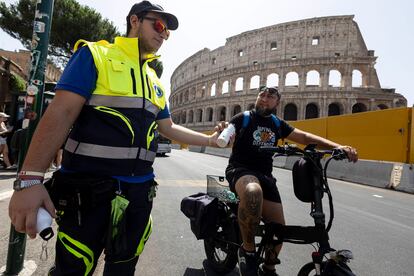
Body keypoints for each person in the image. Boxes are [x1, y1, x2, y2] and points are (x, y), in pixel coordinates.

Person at [8, 2, 221, 275]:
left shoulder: (154, 80)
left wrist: (212, 140)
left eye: (167, 32)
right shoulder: (95, 55)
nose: (163, 35)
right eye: (158, 25)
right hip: (87, 193)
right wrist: (29, 180)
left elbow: (168, 127)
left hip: (139, 195)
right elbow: (61, 112)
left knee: (123, 268)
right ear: (135, 21)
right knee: (74, 269)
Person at [224, 86, 358, 276]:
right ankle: (247, 251)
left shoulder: (277, 124)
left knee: (279, 232)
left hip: (266, 176)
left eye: (270, 96)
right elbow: (226, 135)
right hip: (241, 170)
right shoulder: (243, 118)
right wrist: (224, 135)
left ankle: (269, 269)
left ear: (277, 103)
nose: (264, 98)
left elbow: (303, 136)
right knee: (253, 192)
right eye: (262, 94)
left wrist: (338, 146)